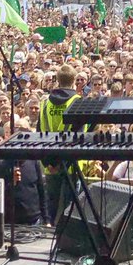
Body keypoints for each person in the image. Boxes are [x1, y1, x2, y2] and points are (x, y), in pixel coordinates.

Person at [38, 63, 81, 224]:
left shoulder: (45, 103)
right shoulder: (77, 101)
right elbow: (79, 135)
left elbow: (40, 132)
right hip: (71, 163)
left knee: (52, 205)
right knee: (71, 208)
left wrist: (49, 162)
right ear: (74, 80)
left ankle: (47, 235)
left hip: (49, 162)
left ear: (57, 80)